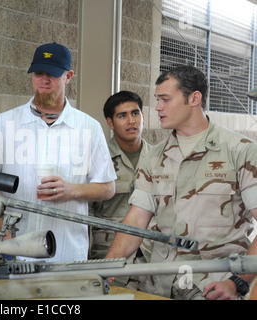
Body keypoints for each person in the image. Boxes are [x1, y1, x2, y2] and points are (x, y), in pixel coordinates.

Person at [105, 65, 257, 300]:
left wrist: (237, 283)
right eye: (157, 100)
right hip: (159, 285)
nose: (157, 107)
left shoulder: (241, 151)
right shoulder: (154, 156)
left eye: (165, 99)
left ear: (194, 98)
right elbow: (136, 220)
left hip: (213, 286)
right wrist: (109, 265)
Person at [0, 42, 116, 262]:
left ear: (68, 76)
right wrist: (4, 237)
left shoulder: (88, 127)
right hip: (17, 254)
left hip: (67, 254)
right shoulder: (3, 124)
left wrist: (73, 190)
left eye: (52, 74)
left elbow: (108, 188)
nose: (44, 80)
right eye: (39, 73)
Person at [89, 91, 152, 288]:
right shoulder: (98, 159)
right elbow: (86, 212)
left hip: (153, 256)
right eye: (122, 116)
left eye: (135, 113)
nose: (131, 121)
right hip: (111, 255)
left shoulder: (160, 158)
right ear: (110, 122)